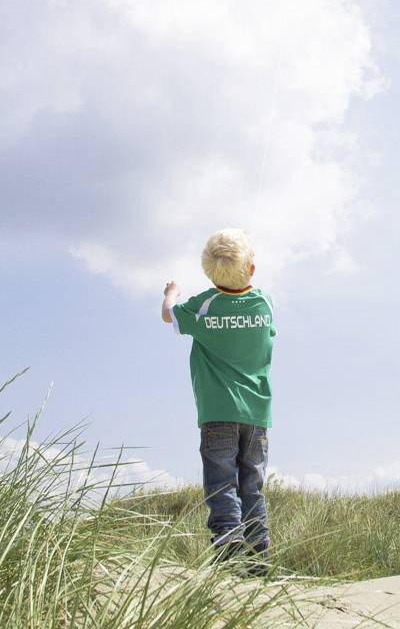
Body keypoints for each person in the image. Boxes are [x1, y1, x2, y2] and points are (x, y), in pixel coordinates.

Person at [162, 228, 276, 575]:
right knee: (252, 486)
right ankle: (258, 560)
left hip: (217, 414)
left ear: (209, 273)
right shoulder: (264, 303)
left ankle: (228, 552)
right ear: (251, 269)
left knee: (221, 485)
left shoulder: (205, 305)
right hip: (257, 415)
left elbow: (170, 316)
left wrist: (172, 293)